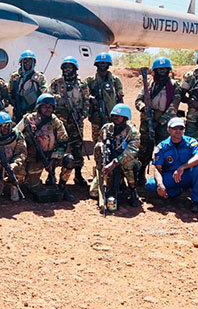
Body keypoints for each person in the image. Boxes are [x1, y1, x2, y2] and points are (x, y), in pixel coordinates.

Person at [145, 118, 198, 212]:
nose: (178, 131)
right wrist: (160, 184)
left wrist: (182, 167)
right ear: (168, 130)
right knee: (151, 184)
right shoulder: (162, 146)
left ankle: (197, 201)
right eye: (175, 128)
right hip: (172, 176)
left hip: (189, 175)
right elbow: (157, 168)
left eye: (181, 128)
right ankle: (176, 192)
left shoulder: (191, 142)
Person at [15, 93, 74, 201]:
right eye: (45, 107)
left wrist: (53, 158)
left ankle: (62, 187)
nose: (48, 109)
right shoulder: (29, 119)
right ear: (39, 107)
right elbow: (15, 133)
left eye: (50, 107)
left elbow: (63, 141)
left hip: (51, 156)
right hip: (34, 158)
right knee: (33, 188)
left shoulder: (55, 121)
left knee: (69, 160)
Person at [136, 56, 182, 186]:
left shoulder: (174, 85)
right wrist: (144, 108)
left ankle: (166, 179)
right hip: (147, 122)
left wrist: (159, 122)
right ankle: (140, 176)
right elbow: (138, 100)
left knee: (165, 151)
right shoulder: (149, 84)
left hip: (165, 124)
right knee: (144, 150)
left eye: (164, 69)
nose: (162, 71)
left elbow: (174, 107)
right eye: (159, 69)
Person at [49, 56, 90, 187]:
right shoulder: (56, 83)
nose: (67, 69)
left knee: (77, 148)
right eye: (65, 67)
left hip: (75, 122)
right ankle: (52, 176)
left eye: (70, 67)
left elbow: (86, 104)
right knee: (55, 147)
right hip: (59, 122)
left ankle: (78, 175)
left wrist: (81, 116)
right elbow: (48, 100)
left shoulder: (82, 85)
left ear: (75, 69)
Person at [92, 103, 141, 208]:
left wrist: (115, 162)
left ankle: (133, 191)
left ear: (125, 117)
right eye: (113, 115)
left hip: (123, 162)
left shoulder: (132, 132)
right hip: (108, 163)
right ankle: (115, 184)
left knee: (129, 164)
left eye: (118, 116)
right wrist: (100, 146)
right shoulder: (106, 128)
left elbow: (131, 152)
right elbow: (99, 142)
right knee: (94, 193)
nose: (115, 118)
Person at [85, 52, 124, 143]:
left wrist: (121, 115)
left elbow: (120, 98)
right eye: (101, 63)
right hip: (97, 115)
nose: (103, 65)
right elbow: (83, 94)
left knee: (114, 140)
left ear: (108, 64)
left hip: (113, 115)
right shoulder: (90, 80)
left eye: (105, 63)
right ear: (97, 64)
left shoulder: (115, 80)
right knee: (97, 141)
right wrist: (91, 98)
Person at [8, 50, 47, 123]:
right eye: (25, 62)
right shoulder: (15, 77)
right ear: (21, 63)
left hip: (33, 111)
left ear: (33, 63)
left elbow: (45, 93)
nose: (27, 64)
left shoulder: (39, 77)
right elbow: (9, 91)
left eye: (30, 61)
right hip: (18, 110)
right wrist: (12, 100)